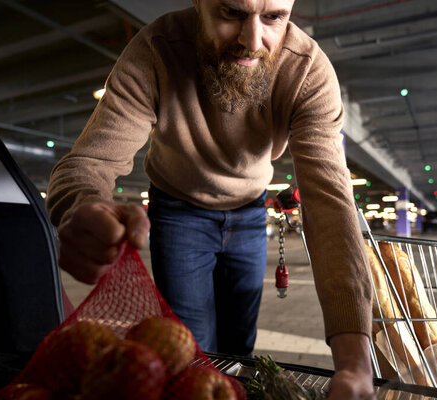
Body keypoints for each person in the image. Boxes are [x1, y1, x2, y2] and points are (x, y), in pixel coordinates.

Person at [46, 0, 374, 398]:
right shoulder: (156, 49)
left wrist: (355, 361)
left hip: (251, 212)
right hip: (179, 210)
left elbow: (330, 203)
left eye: (274, 18)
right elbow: (87, 162)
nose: (253, 41)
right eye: (232, 14)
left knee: (240, 348)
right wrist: (80, 205)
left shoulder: (307, 70)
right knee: (188, 351)